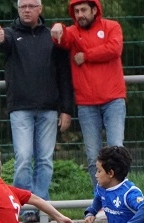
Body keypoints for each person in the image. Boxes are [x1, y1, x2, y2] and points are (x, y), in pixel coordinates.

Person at [0, 0, 75, 223]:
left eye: (31, 6)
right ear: (18, 10)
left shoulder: (52, 37)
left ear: (40, 9)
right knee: (23, 157)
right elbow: (2, 44)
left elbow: (64, 75)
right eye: (23, 7)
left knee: (45, 160)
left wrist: (66, 109)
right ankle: (25, 206)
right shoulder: (10, 34)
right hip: (20, 108)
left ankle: (42, 206)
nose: (27, 10)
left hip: (49, 108)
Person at [50, 0, 126, 183]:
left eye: (83, 10)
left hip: (113, 99)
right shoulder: (73, 32)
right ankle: (99, 196)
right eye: (76, 11)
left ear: (94, 10)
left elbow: (114, 49)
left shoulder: (112, 26)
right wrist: (57, 27)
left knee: (116, 152)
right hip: (86, 104)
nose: (80, 15)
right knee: (93, 157)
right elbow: (62, 38)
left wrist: (86, 56)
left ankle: (119, 195)